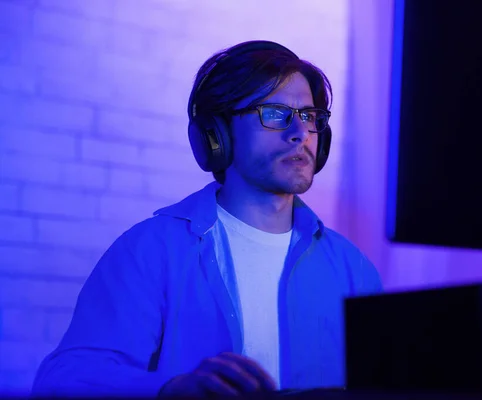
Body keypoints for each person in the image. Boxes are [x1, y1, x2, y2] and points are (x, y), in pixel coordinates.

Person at [31, 40, 382, 398]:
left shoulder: (353, 268)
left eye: (309, 116)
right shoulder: (151, 250)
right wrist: (171, 389)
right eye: (275, 113)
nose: (300, 133)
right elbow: (63, 381)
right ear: (216, 135)